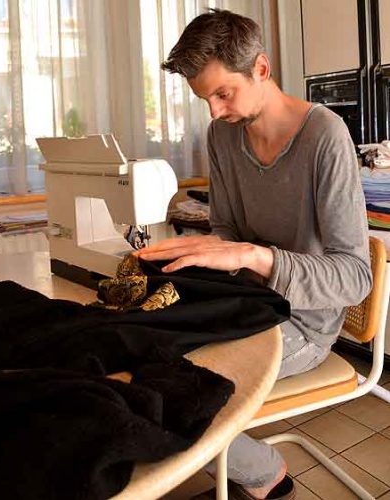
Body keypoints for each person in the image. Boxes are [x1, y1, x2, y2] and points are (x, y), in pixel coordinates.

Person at [135, 8, 372, 500]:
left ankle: (265, 474)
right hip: (246, 303)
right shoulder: (222, 135)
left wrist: (255, 256)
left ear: (261, 68)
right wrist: (208, 250)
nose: (214, 112)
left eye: (224, 94)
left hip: (305, 322)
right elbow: (227, 231)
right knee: (137, 360)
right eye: (205, 99)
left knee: (170, 395)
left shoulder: (325, 136)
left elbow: (354, 277)